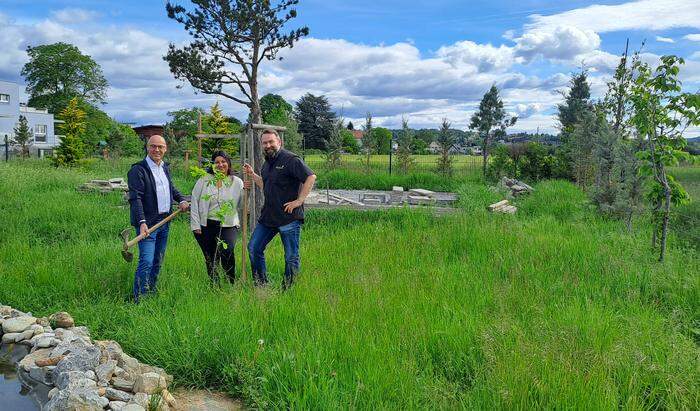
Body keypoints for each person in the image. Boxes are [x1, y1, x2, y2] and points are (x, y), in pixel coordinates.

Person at [243, 129, 316, 289]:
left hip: (288, 218)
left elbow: (310, 177)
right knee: (254, 249)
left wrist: (299, 200)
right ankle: (261, 286)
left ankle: (288, 290)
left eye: (271, 142)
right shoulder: (267, 163)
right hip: (268, 217)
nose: (268, 145)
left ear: (279, 142)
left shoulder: (291, 160)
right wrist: (253, 175)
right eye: (264, 143)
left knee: (291, 257)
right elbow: (266, 185)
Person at [127, 135, 188, 302]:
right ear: (147, 148)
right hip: (148, 225)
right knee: (146, 261)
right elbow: (135, 198)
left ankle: (151, 292)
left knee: (158, 260)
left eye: (160, 146)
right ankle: (139, 298)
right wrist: (141, 222)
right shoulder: (138, 170)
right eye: (153, 146)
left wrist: (181, 199)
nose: (157, 150)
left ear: (165, 148)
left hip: (165, 222)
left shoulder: (164, 168)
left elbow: (170, 189)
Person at [190, 151, 244, 284]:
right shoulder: (204, 180)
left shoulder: (236, 182)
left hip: (228, 224)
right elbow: (195, 201)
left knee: (227, 251)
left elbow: (243, 205)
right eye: (217, 162)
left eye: (223, 161)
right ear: (212, 165)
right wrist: (196, 225)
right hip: (206, 225)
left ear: (228, 163)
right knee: (211, 257)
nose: (220, 165)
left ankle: (231, 282)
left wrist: (247, 190)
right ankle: (215, 285)